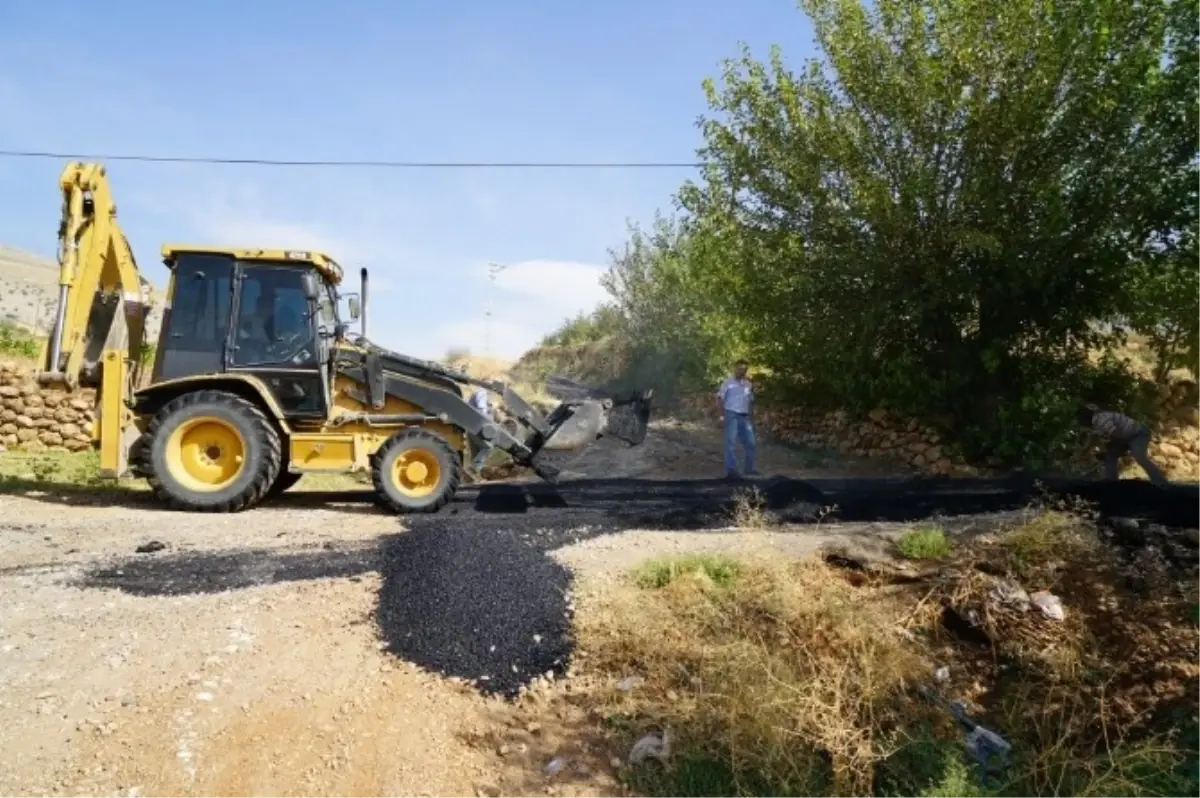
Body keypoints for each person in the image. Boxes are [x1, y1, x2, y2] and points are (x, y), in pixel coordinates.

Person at [1076, 404, 1168, 486]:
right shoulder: (1095, 424)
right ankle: (1112, 483)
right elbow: (1092, 440)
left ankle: (1161, 483)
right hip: (1126, 436)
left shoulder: (1100, 420)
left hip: (1137, 434)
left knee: (1139, 456)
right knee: (1110, 456)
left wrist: (1107, 448)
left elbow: (1115, 433)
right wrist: (1082, 454)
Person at [717, 359, 758, 479]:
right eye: (740, 369)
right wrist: (721, 415)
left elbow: (750, 402)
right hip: (731, 414)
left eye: (745, 369)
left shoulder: (748, 384)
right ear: (735, 369)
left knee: (751, 443)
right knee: (730, 442)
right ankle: (731, 470)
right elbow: (720, 399)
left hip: (744, 416)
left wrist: (752, 419)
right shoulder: (727, 383)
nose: (742, 371)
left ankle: (749, 468)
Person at [468, 387, 495, 474]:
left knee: (476, 452)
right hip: (477, 427)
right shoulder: (482, 393)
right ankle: (476, 466)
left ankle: (472, 474)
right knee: (487, 447)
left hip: (470, 425)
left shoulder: (476, 393)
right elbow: (481, 410)